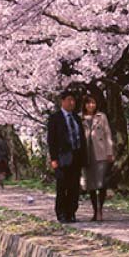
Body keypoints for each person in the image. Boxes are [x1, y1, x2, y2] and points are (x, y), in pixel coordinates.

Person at [47, 89, 84, 223]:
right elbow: (51, 140)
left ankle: (72, 212)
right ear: (62, 101)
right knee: (62, 186)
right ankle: (61, 213)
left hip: (76, 156)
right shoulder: (55, 118)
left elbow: (82, 138)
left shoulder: (77, 118)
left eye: (73, 100)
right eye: (69, 100)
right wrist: (53, 158)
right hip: (62, 157)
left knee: (74, 187)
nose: (71, 103)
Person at [81, 94, 115, 222]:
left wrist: (110, 152)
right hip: (87, 155)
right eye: (88, 103)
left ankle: (100, 209)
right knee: (91, 184)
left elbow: (108, 134)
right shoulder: (80, 118)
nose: (91, 105)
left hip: (101, 153)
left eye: (93, 103)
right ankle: (95, 211)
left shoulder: (101, 117)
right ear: (84, 105)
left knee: (101, 183)